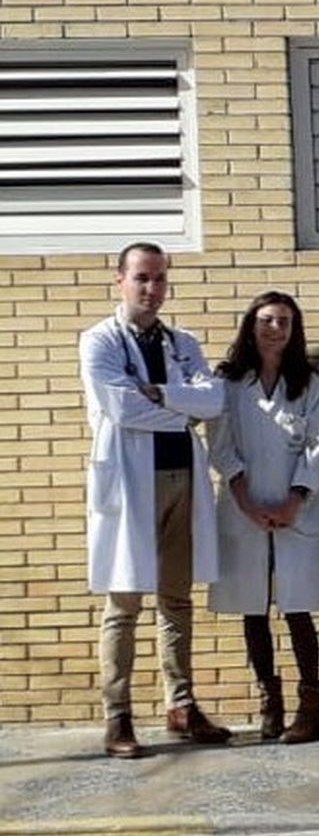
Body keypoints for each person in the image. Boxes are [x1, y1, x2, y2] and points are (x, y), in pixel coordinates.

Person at [81, 242, 230, 758]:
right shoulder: (98, 341)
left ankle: (181, 704)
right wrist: (179, 404)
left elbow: (212, 401)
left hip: (180, 477)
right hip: (129, 481)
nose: (152, 288)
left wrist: (159, 395)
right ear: (120, 279)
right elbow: (121, 409)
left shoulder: (182, 341)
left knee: (176, 599)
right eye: (142, 277)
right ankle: (117, 715)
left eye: (160, 279)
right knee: (124, 603)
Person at [209, 291, 319, 744]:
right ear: (250, 325)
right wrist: (245, 501)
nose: (274, 328)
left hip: (296, 511)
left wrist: (293, 501)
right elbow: (220, 446)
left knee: (297, 607)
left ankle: (311, 705)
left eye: (283, 321)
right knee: (253, 607)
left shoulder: (310, 385)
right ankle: (270, 704)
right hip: (245, 511)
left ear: (294, 329)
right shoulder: (228, 384)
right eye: (265, 320)